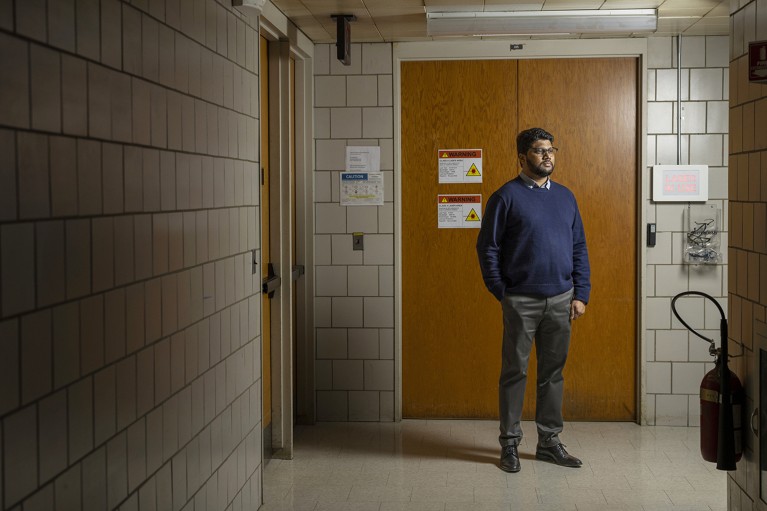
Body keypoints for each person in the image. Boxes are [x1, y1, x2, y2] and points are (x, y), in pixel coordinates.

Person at [476, 127, 591, 473]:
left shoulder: (566, 197)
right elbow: (488, 248)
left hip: (561, 298)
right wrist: (502, 291)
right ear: (522, 157)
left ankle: (549, 442)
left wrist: (580, 293)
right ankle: (509, 443)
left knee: (552, 374)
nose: (547, 156)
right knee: (515, 372)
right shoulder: (505, 197)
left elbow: (579, 248)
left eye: (551, 150)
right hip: (521, 300)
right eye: (539, 151)